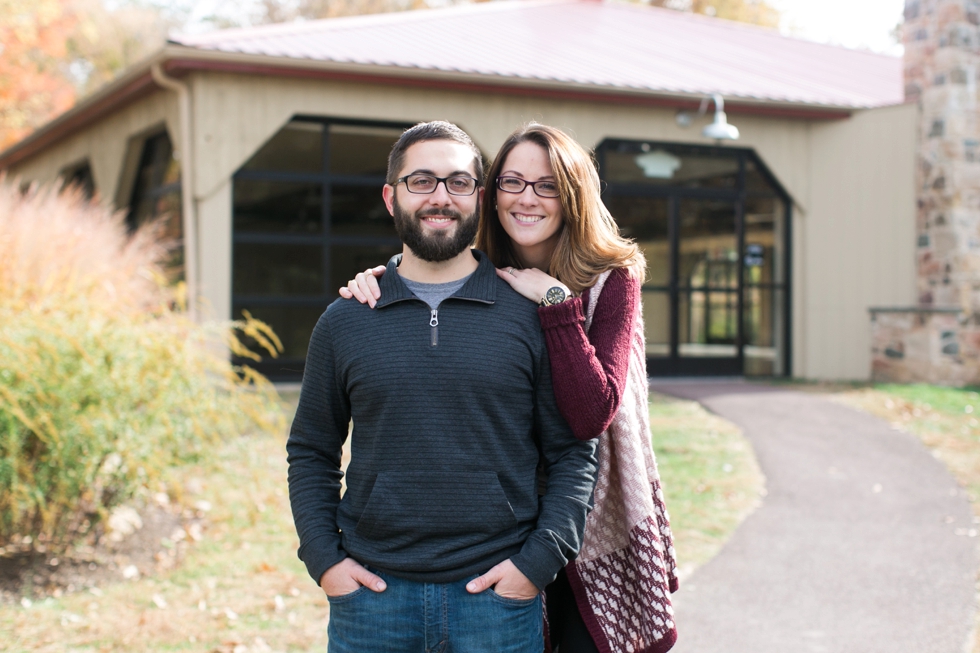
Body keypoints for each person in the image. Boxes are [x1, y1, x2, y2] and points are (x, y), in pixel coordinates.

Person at [341, 123, 679, 653]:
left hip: (590, 515)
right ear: (490, 194)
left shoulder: (610, 278)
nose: (528, 198)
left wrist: (555, 304)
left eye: (547, 186)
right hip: (503, 525)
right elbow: (428, 265)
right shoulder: (487, 272)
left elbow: (593, 414)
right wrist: (382, 278)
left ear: (572, 197)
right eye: (512, 182)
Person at [287, 120, 599, 653]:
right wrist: (326, 561)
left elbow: (574, 451)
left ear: (479, 198)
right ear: (391, 197)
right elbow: (312, 451)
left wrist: (536, 565)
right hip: (372, 602)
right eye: (421, 181)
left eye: (457, 182)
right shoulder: (346, 319)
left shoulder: (530, 316)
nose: (440, 197)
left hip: (497, 601)